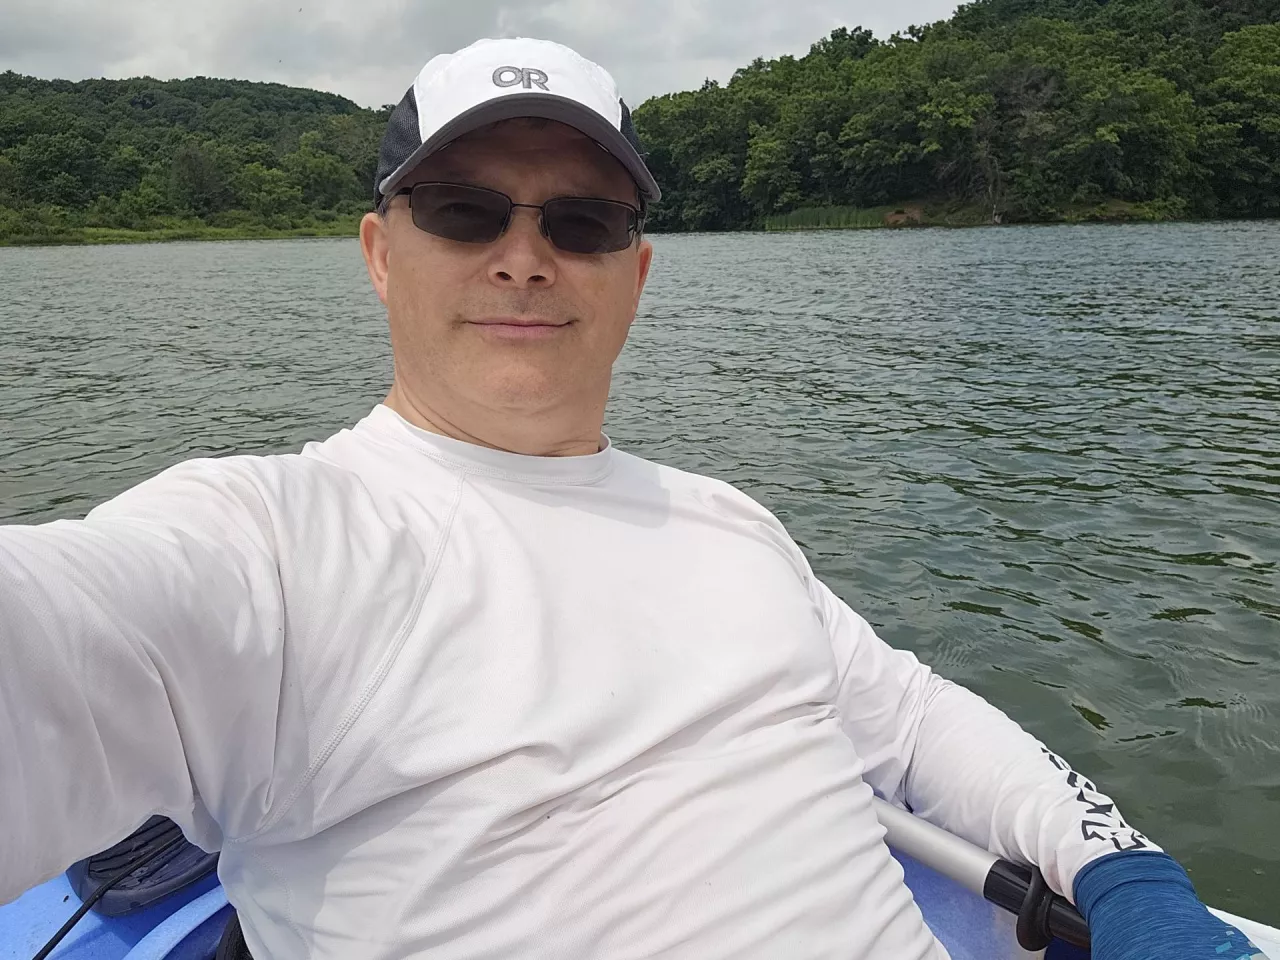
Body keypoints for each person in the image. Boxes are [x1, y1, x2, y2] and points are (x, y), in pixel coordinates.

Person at [0, 37, 1261, 960]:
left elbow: (915, 721)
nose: (523, 256)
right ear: (381, 253)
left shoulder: (727, 523)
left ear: (635, 272)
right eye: (463, 210)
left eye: (582, 220)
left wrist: (1123, 870)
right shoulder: (264, 544)